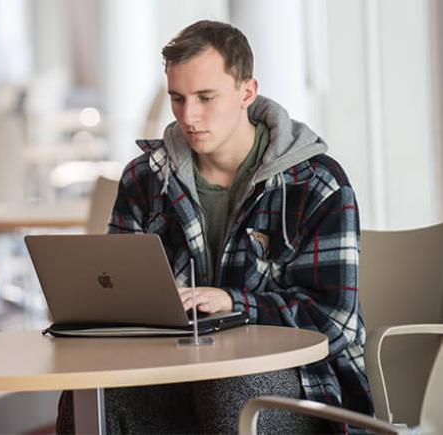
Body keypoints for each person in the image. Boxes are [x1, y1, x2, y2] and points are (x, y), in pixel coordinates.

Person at [57, 20, 373, 434]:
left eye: (206, 98)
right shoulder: (144, 179)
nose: (189, 116)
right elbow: (117, 303)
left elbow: (336, 322)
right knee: (91, 395)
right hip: (174, 374)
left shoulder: (315, 183)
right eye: (177, 99)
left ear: (247, 92)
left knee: (227, 387)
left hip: (300, 384)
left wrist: (233, 303)